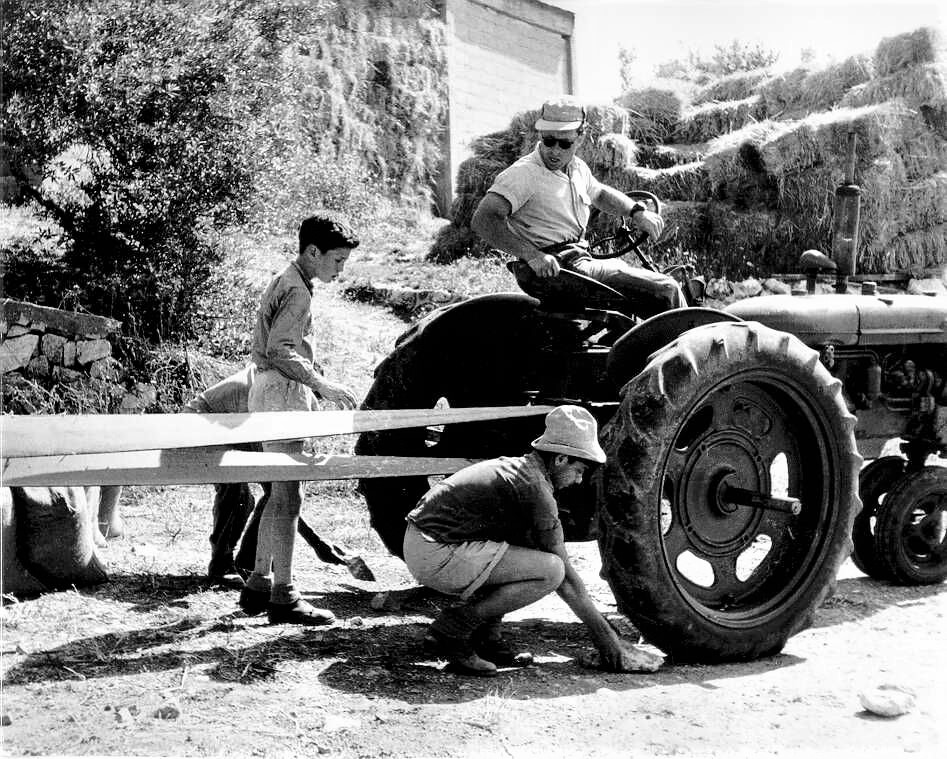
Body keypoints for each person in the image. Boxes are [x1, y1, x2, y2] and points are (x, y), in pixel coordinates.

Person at [403, 405, 625, 677]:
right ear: (560, 460)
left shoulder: (522, 470)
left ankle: (487, 639)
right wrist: (603, 634)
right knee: (551, 571)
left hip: (425, 543)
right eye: (579, 471)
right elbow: (565, 577)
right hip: (434, 550)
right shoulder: (536, 490)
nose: (579, 481)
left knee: (526, 554)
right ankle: (452, 630)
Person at [238, 212, 360, 626]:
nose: (340, 269)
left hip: (270, 391)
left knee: (278, 492)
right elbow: (281, 351)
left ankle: (258, 582)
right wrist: (321, 385)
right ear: (313, 252)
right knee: (289, 497)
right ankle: (284, 595)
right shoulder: (298, 291)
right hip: (281, 393)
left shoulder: (290, 280)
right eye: (337, 260)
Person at [471, 95, 685, 319]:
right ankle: (691, 346)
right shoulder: (524, 174)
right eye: (548, 141)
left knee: (638, 285)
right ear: (540, 136)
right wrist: (532, 255)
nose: (555, 151)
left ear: (581, 137)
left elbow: (600, 193)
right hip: (561, 270)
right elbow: (484, 219)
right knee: (666, 290)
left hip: (577, 261)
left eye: (565, 144)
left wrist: (636, 212)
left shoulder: (577, 169)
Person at [183, 365, 373, 588]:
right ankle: (220, 565)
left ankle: (249, 561)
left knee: (259, 495)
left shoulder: (287, 389)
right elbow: (276, 488)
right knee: (238, 492)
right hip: (199, 426)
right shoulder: (268, 392)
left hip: (232, 427)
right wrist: (317, 543)